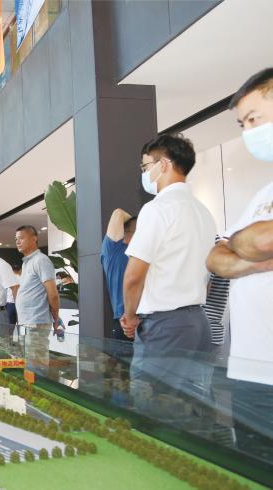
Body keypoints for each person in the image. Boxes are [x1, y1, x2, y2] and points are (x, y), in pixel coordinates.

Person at [205, 67, 273, 459]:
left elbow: (262, 239)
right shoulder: (263, 193)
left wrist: (240, 243)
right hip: (249, 370)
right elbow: (216, 257)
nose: (248, 131)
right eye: (242, 124)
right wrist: (252, 260)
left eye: (254, 119)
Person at [121, 133, 217, 398]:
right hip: (198, 323)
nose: (144, 173)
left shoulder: (157, 209)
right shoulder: (203, 212)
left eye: (145, 166)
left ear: (163, 164)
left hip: (164, 327)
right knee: (193, 406)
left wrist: (130, 316)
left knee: (153, 406)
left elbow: (134, 276)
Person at [14, 225, 60, 374]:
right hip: (27, 321)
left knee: (37, 365)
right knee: (30, 363)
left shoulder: (41, 260)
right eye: (16, 239)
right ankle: (31, 387)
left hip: (36, 321)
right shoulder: (26, 261)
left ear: (34, 238)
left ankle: (39, 387)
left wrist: (56, 317)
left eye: (21, 238)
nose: (18, 242)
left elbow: (53, 294)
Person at [101, 208, 137, 341]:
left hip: (147, 319)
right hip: (125, 321)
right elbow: (118, 213)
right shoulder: (114, 247)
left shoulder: (142, 253)